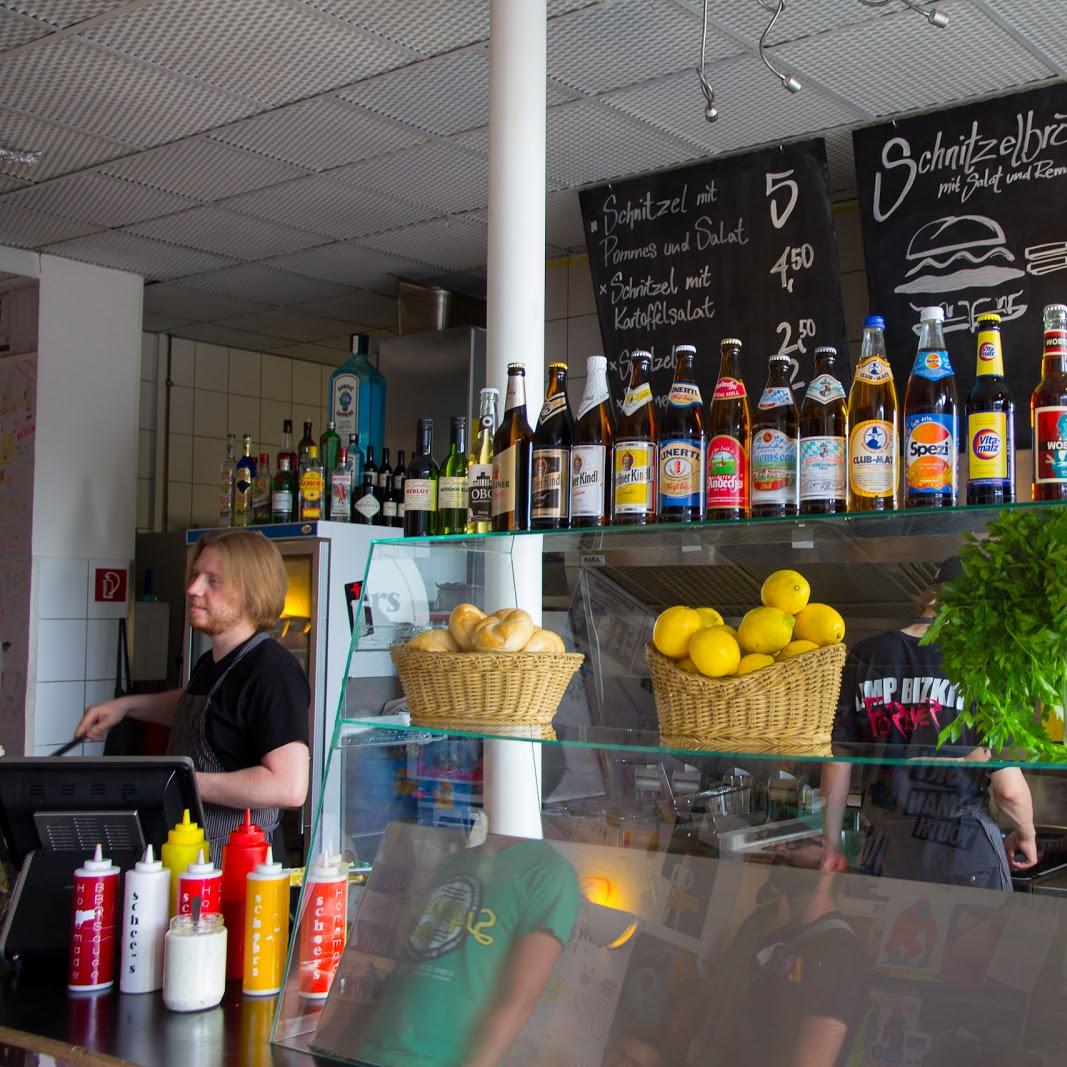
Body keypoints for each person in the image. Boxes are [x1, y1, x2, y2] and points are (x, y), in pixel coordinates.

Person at [75, 529, 310, 857]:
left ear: (250, 592)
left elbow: (288, 786)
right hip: (192, 856)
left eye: (212, 580)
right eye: (195, 575)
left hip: (240, 867)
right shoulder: (213, 661)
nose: (192, 589)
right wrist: (125, 707)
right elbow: (202, 710)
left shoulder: (271, 671)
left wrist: (182, 782)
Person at [821, 557, 1037, 889]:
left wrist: (831, 846)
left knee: (893, 941)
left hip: (886, 849)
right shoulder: (981, 665)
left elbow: (839, 762)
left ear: (932, 597)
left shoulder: (866, 654)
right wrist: (1026, 833)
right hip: (962, 852)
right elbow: (1009, 791)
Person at [688, 840, 867, 1067]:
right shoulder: (777, 939)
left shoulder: (839, 953)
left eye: (797, 843)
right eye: (783, 841)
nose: (781, 849)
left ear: (834, 862)